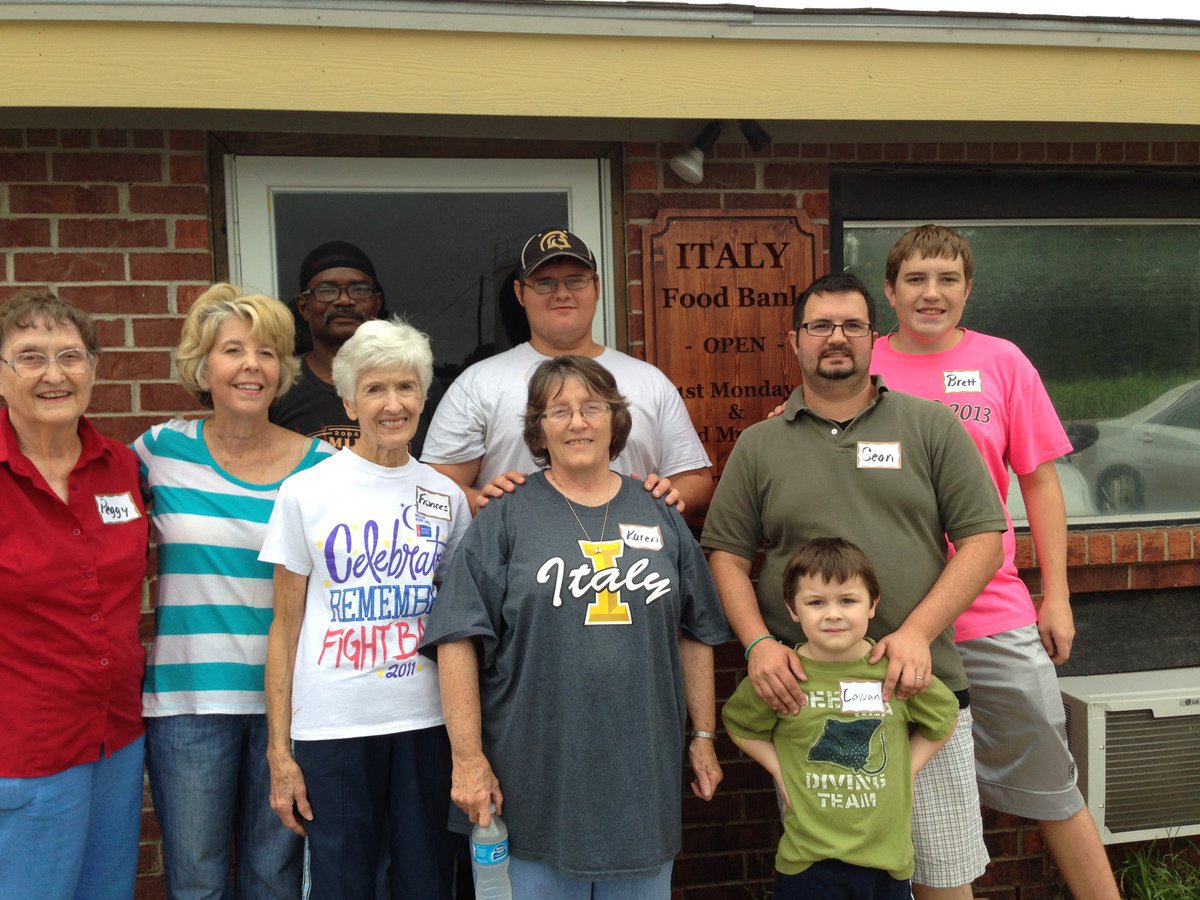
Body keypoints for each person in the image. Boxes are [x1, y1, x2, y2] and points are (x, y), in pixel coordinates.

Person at [702, 271, 1007, 899]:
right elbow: (726, 558)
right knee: (835, 885)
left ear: (875, 337)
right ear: (795, 340)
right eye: (820, 326)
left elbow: (984, 540)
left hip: (923, 693)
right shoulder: (759, 445)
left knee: (944, 879)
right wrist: (759, 645)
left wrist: (918, 632)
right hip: (811, 709)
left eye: (852, 325)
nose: (835, 338)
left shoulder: (930, 426)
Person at [422, 355, 732, 897]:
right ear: (537, 429)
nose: (577, 422)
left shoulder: (660, 512)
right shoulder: (506, 515)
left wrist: (703, 736)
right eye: (557, 410)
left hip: (641, 788)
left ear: (616, 419)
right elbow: (457, 640)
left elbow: (695, 631)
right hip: (531, 785)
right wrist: (468, 759)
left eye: (592, 407)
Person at [871, 224, 1119, 898]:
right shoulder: (860, 366)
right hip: (888, 625)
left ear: (968, 289)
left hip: (992, 613)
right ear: (889, 291)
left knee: (1052, 783)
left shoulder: (1003, 362)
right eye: (916, 279)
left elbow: (1038, 482)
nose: (932, 293)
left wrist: (1057, 595)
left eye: (948, 279)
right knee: (898, 797)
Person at [260, 318, 469, 899]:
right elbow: (284, 627)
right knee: (341, 883)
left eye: (406, 388)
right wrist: (280, 752)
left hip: (426, 724)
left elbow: (457, 628)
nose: (392, 404)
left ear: (424, 399)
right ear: (349, 400)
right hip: (334, 727)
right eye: (375, 389)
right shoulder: (306, 492)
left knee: (426, 881)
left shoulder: (446, 497)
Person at [135, 283, 332, 898]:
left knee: (274, 881)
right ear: (203, 366)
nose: (252, 365)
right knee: (195, 881)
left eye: (268, 352)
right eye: (233, 350)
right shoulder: (158, 452)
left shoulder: (323, 467)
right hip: (189, 705)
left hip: (292, 708)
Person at [0, 290, 149, 899]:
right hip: (23, 749)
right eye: (29, 357)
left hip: (116, 738)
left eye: (71, 355)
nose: (54, 374)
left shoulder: (123, 467)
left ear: (94, 367)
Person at [723, 537, 958, 900]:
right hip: (808, 861)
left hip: (885, 861)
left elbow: (944, 716)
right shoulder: (782, 674)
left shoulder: (891, 670)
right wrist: (778, 769)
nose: (832, 613)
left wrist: (908, 768)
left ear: (872, 604)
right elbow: (739, 724)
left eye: (847, 600)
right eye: (816, 602)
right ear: (792, 609)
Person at [422, 228, 713, 520]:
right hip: (516, 558)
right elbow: (434, 484)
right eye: (545, 283)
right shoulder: (478, 383)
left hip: (633, 556)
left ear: (596, 287)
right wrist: (479, 502)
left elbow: (697, 480)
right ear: (519, 293)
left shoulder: (650, 381)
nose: (562, 293)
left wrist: (666, 498)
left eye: (576, 280)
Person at [271, 240, 444, 455]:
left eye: (359, 290)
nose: (344, 300)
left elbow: (445, 467)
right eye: (327, 291)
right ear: (303, 306)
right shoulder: (282, 384)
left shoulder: (416, 383)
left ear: (377, 302)